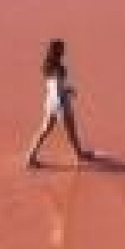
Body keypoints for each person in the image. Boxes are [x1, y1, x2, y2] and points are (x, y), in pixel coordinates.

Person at [25, 38, 97, 169]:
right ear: (58, 52)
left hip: (49, 103)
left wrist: (67, 90)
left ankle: (30, 156)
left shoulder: (47, 67)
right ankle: (79, 154)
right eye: (62, 49)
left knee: (44, 131)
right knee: (71, 132)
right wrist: (63, 100)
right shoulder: (60, 68)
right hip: (60, 104)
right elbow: (58, 88)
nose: (64, 51)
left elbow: (54, 86)